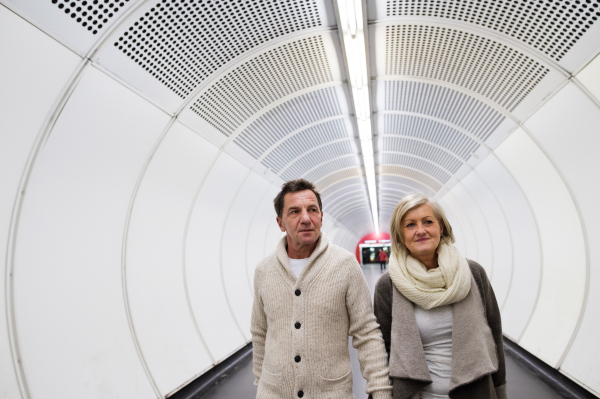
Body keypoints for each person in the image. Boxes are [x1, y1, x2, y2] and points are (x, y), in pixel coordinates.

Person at [251, 179, 392, 399]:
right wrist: (261, 385)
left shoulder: (344, 265)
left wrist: (381, 391)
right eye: (295, 211)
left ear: (321, 217)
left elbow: (367, 333)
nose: (306, 218)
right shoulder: (264, 270)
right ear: (280, 223)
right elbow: (260, 333)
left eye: (312, 210)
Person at [373, 194, 507, 399]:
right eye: (410, 225)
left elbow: (494, 336)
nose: (420, 230)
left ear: (441, 227)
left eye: (428, 221)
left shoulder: (472, 274)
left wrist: (500, 391)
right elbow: (383, 348)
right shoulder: (389, 285)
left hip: (475, 392)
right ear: (400, 235)